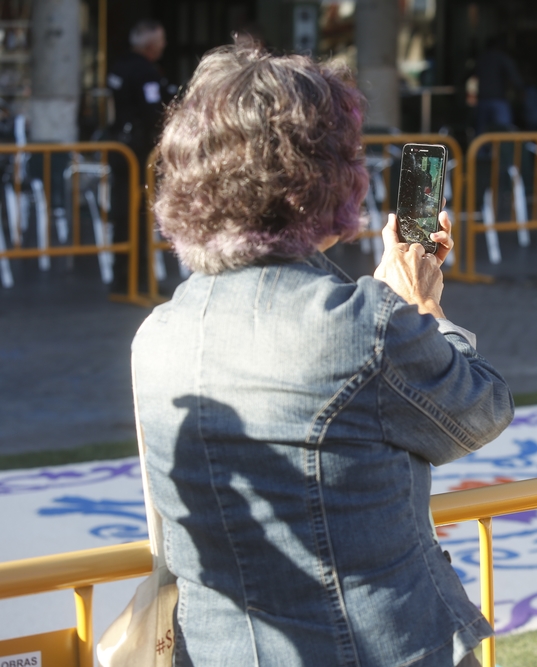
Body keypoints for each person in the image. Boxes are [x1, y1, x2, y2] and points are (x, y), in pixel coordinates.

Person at [132, 45, 514, 666]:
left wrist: (391, 309)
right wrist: (424, 311)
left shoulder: (158, 332)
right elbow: (481, 409)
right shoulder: (363, 326)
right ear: (322, 177)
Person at [107, 19, 173, 293]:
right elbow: (153, 113)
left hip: (119, 148)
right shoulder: (145, 72)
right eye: (160, 41)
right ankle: (140, 278)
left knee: (122, 213)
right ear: (150, 45)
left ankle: (122, 274)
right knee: (142, 215)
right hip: (138, 152)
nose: (164, 46)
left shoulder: (118, 66)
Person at [474, 35, 522, 134]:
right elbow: (515, 78)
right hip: (498, 99)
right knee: (502, 133)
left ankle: (481, 150)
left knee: (482, 133)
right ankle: (501, 150)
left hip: (483, 99)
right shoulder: (502, 58)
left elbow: (469, 74)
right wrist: (520, 91)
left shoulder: (482, 58)